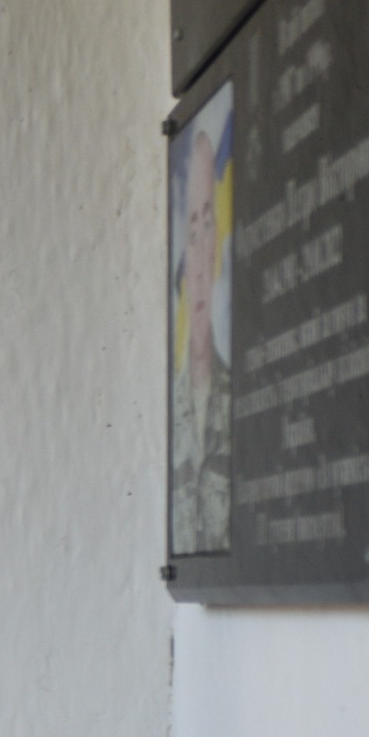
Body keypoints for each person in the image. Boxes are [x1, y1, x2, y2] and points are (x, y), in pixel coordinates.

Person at [172, 116, 232, 555]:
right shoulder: (169, 414)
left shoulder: (245, 400)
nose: (197, 255)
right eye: (189, 232)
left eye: (207, 225)